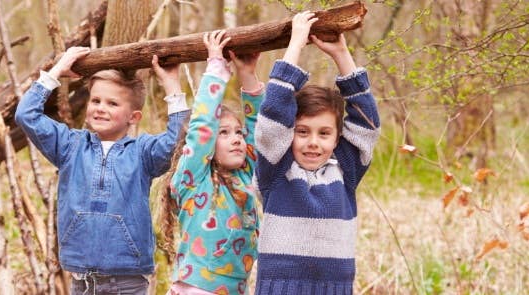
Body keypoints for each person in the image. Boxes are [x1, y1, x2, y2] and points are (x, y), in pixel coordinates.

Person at [14, 46, 190, 294]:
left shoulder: (142, 152)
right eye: (95, 100)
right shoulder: (69, 146)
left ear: (134, 116)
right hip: (82, 281)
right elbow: (26, 115)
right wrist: (56, 71)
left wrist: (171, 85)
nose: (100, 108)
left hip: (128, 280)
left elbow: (179, 141)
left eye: (112, 103)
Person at [253, 11, 381, 294]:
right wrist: (296, 44)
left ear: (337, 138)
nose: (313, 142)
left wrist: (342, 54)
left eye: (324, 134)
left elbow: (367, 124)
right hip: (280, 288)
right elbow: (272, 116)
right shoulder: (276, 170)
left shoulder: (345, 171)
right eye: (302, 132)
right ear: (289, 133)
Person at [158, 30, 264, 295]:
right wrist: (216, 67)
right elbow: (202, 126)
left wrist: (248, 76)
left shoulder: (244, 176)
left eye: (238, 133)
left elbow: (257, 130)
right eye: (224, 133)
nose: (237, 139)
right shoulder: (193, 180)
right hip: (197, 288)